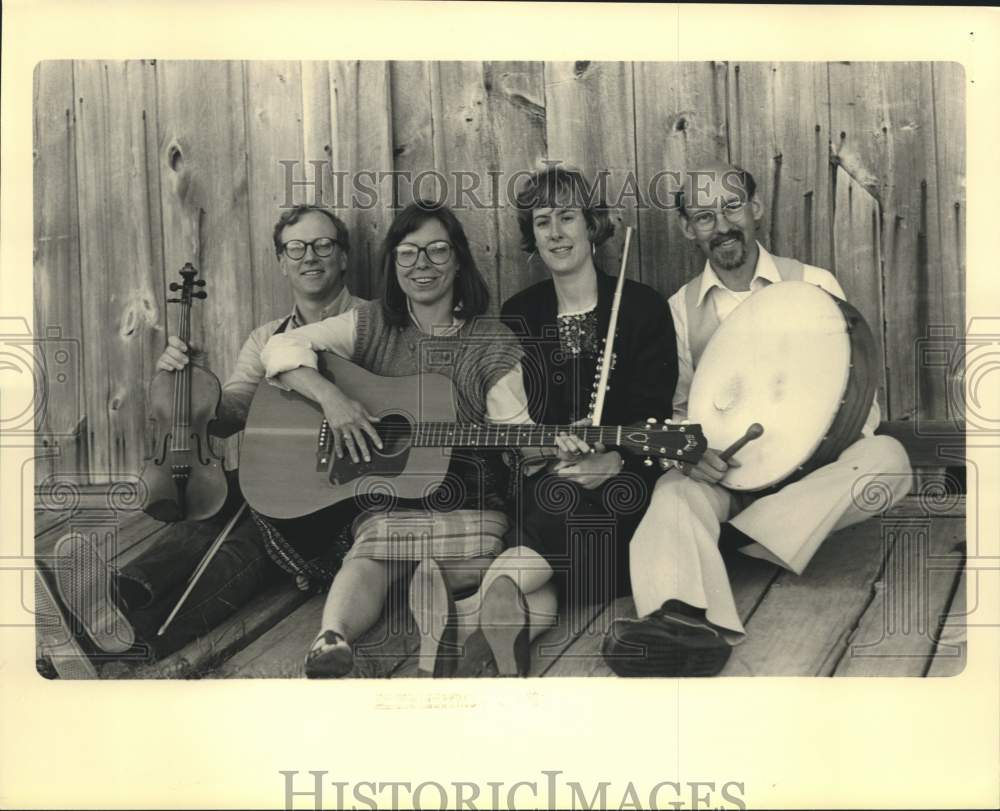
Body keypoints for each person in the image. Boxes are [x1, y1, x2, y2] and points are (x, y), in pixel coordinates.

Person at [600, 160, 913, 677]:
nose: (721, 225)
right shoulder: (679, 310)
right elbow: (677, 416)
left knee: (889, 459)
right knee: (674, 494)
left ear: (756, 207)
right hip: (731, 475)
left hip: (814, 475)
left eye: (731, 206)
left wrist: (811, 442)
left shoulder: (811, 283)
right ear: (687, 229)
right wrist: (696, 455)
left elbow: (859, 395)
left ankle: (738, 541)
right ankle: (680, 618)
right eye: (703, 216)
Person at [54, 205, 366, 661]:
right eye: (296, 247)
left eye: (323, 245)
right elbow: (233, 410)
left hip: (337, 498)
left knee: (243, 543)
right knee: (213, 513)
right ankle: (111, 599)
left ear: (343, 257)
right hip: (274, 481)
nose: (310, 257)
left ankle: (128, 641)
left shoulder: (372, 323)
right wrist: (193, 386)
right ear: (282, 261)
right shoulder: (265, 338)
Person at [409, 164, 679, 677]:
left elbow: (654, 418)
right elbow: (511, 424)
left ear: (591, 224)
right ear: (530, 236)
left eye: (567, 217)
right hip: (545, 485)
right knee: (555, 518)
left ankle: (461, 620)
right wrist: (542, 452)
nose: (555, 232)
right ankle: (494, 631)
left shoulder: (643, 308)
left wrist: (616, 461)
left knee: (571, 531)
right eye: (541, 221)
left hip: (626, 488)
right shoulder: (519, 315)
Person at [260, 200, 539, 678]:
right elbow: (281, 347)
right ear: (393, 263)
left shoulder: (491, 341)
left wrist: (557, 448)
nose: (422, 266)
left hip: (467, 495)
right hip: (392, 498)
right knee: (371, 554)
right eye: (408, 253)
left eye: (436, 251)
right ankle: (331, 639)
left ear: (458, 260)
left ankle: (434, 593)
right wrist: (333, 399)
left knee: (465, 556)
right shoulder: (369, 324)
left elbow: (518, 435)